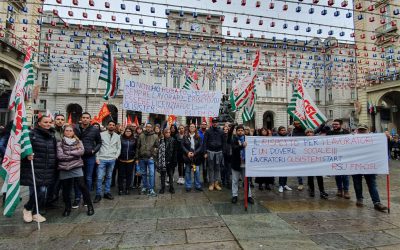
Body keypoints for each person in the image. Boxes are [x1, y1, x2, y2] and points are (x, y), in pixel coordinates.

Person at [21, 116, 57, 223]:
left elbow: (54, 151)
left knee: (43, 191)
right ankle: (27, 209)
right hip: (35, 167)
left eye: (50, 122)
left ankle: (36, 212)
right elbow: (23, 148)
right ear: (39, 123)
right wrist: (27, 154)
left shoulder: (52, 135)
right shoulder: (32, 134)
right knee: (40, 190)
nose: (48, 124)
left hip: (48, 168)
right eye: (45, 122)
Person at [57, 125, 94, 216]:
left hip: (77, 167)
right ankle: (67, 208)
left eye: (70, 130)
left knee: (82, 186)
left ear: (73, 132)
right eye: (67, 130)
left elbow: (81, 152)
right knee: (66, 189)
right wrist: (74, 154)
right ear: (64, 132)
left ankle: (90, 206)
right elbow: (60, 156)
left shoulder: (78, 142)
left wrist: (68, 153)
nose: (68, 132)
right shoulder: (59, 143)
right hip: (64, 168)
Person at [352, 124, 387, 212]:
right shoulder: (351, 139)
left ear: (368, 130)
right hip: (355, 165)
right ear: (357, 130)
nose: (362, 132)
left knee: (372, 184)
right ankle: (359, 198)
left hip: (369, 165)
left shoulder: (374, 139)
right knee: (357, 183)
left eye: (363, 130)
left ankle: (377, 202)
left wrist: (386, 138)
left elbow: (383, 147)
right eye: (360, 130)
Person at [73, 112, 102, 207]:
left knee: (88, 178)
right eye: (84, 117)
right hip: (77, 156)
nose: (85, 119)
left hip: (90, 157)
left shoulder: (94, 129)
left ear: (90, 119)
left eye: (87, 118)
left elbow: (99, 142)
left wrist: (94, 150)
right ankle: (77, 198)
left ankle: (86, 197)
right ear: (81, 119)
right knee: (78, 178)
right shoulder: (75, 128)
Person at [94, 120, 121, 203]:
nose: (111, 126)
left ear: (115, 126)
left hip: (112, 159)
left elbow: (118, 147)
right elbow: (97, 146)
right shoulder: (101, 135)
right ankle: (98, 194)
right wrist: (97, 157)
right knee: (99, 177)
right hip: (102, 158)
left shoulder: (117, 136)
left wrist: (116, 156)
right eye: (110, 124)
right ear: (107, 126)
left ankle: (107, 192)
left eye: (113, 125)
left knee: (109, 177)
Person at [327, 119, 351, 199]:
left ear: (340, 125)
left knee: (345, 175)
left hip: (345, 156)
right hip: (335, 156)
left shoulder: (346, 132)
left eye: (336, 124)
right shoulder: (329, 133)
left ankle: (346, 190)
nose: (334, 126)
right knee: (337, 175)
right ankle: (339, 189)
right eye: (333, 124)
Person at [231, 125, 254, 204]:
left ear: (244, 131)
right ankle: (235, 195)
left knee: (246, 181)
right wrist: (241, 146)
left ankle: (249, 196)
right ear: (236, 131)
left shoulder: (248, 139)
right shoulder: (234, 139)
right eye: (239, 130)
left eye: (242, 130)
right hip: (236, 163)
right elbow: (234, 148)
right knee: (235, 180)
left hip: (246, 163)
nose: (240, 131)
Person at [136, 123, 159, 196]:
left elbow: (157, 147)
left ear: (152, 128)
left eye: (150, 127)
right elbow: (137, 147)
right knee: (144, 173)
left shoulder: (155, 136)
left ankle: (151, 188)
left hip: (150, 158)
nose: (148, 128)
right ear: (145, 127)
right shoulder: (141, 135)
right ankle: (145, 186)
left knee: (151, 174)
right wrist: (137, 157)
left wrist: (154, 154)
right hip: (142, 158)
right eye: (147, 127)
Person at [304, 128, 329, 199]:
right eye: (307, 132)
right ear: (305, 134)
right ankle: (312, 190)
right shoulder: (303, 141)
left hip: (317, 161)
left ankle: (322, 191)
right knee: (310, 177)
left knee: (319, 177)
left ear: (313, 133)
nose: (309, 133)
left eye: (311, 132)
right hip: (308, 162)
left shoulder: (318, 140)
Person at [204, 117, 224, 191]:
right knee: (211, 168)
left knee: (217, 168)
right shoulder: (208, 131)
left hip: (219, 152)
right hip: (210, 152)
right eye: (214, 122)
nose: (215, 123)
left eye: (216, 122)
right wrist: (205, 152)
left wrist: (223, 151)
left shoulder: (221, 131)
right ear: (212, 123)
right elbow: (205, 142)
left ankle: (216, 183)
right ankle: (211, 183)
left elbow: (224, 142)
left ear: (217, 122)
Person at [182, 123, 203, 192]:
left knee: (196, 171)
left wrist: (195, 153)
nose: (192, 127)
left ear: (195, 128)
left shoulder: (198, 136)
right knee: (187, 171)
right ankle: (188, 185)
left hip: (196, 157)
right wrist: (187, 152)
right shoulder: (185, 136)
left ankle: (197, 185)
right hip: (187, 157)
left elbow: (200, 146)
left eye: (193, 126)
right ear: (189, 128)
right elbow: (182, 146)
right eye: (190, 126)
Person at [157, 128, 177, 194]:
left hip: (170, 161)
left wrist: (174, 161)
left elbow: (175, 151)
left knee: (170, 175)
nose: (168, 133)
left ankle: (171, 187)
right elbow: (159, 151)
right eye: (166, 132)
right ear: (164, 133)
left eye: (169, 132)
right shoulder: (161, 140)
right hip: (163, 160)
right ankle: (162, 187)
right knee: (163, 175)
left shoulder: (173, 140)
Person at [117, 127, 136, 195]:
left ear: (131, 132)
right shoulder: (121, 139)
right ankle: (120, 189)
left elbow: (136, 149)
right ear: (124, 132)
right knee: (120, 175)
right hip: (121, 160)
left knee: (129, 175)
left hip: (130, 160)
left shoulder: (134, 139)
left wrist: (134, 156)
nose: (128, 132)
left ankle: (127, 188)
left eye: (129, 131)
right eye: (127, 131)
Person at [289, 121, 306, 191]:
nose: (298, 125)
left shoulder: (305, 129)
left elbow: (314, 131)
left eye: (299, 123)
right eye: (296, 124)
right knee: (299, 169)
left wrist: (322, 125)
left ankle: (310, 184)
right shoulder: (293, 131)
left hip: (306, 151)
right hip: (297, 152)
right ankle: (300, 183)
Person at [276, 126, 292, 193]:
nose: (283, 131)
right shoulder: (276, 138)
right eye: (281, 130)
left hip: (287, 157)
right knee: (281, 172)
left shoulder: (288, 137)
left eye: (284, 130)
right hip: (279, 157)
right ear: (279, 131)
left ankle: (285, 184)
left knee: (286, 171)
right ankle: (281, 185)